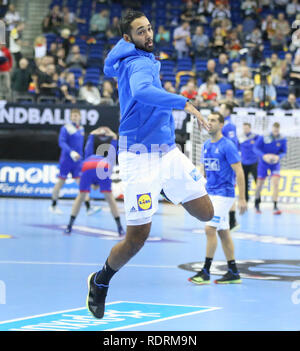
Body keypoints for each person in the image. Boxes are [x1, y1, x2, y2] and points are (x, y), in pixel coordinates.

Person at [86, 10, 214, 319]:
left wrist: (125, 43)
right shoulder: (137, 62)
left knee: (206, 212)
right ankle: (101, 280)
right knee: (136, 240)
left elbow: (106, 65)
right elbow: (143, 92)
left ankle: (168, 189)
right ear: (129, 38)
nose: (150, 35)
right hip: (140, 158)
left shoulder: (130, 54)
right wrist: (184, 103)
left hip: (168, 153)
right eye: (141, 32)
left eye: (150, 28)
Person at [188, 112, 247, 285]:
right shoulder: (206, 145)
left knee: (209, 229)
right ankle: (233, 271)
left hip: (224, 193)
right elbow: (202, 169)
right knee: (223, 232)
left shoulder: (227, 145)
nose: (209, 123)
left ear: (221, 125)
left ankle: (205, 271)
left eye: (213, 120)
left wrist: (242, 198)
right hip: (211, 193)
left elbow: (240, 172)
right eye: (208, 120)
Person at [64, 127, 125, 236]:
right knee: (110, 199)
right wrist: (112, 135)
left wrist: (94, 133)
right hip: (99, 167)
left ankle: (69, 226)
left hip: (89, 167)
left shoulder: (97, 159)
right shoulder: (105, 161)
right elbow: (92, 146)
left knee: (80, 197)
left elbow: (107, 149)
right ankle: (120, 228)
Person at [49, 109, 97, 215]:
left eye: (76, 116)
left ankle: (88, 208)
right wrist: (71, 152)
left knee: (82, 184)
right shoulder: (65, 128)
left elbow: (80, 146)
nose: (75, 117)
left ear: (80, 117)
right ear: (71, 117)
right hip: (66, 160)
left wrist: (82, 158)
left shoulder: (81, 129)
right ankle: (53, 205)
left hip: (78, 162)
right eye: (73, 116)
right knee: (60, 182)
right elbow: (61, 142)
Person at [253, 122, 287, 215]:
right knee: (259, 184)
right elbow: (255, 148)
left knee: (276, 183)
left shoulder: (282, 138)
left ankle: (275, 206)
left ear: (279, 130)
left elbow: (284, 151)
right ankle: (256, 204)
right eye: (274, 130)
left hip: (274, 164)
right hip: (263, 164)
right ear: (272, 129)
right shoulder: (264, 136)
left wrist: (278, 157)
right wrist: (263, 156)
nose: (276, 132)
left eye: (277, 130)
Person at [239, 123, 259, 202]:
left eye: (247, 128)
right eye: (244, 128)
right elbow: (237, 148)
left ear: (250, 128)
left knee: (257, 182)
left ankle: (257, 201)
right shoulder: (240, 138)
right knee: (244, 182)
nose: (245, 130)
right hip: (244, 163)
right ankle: (245, 199)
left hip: (254, 162)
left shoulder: (255, 137)